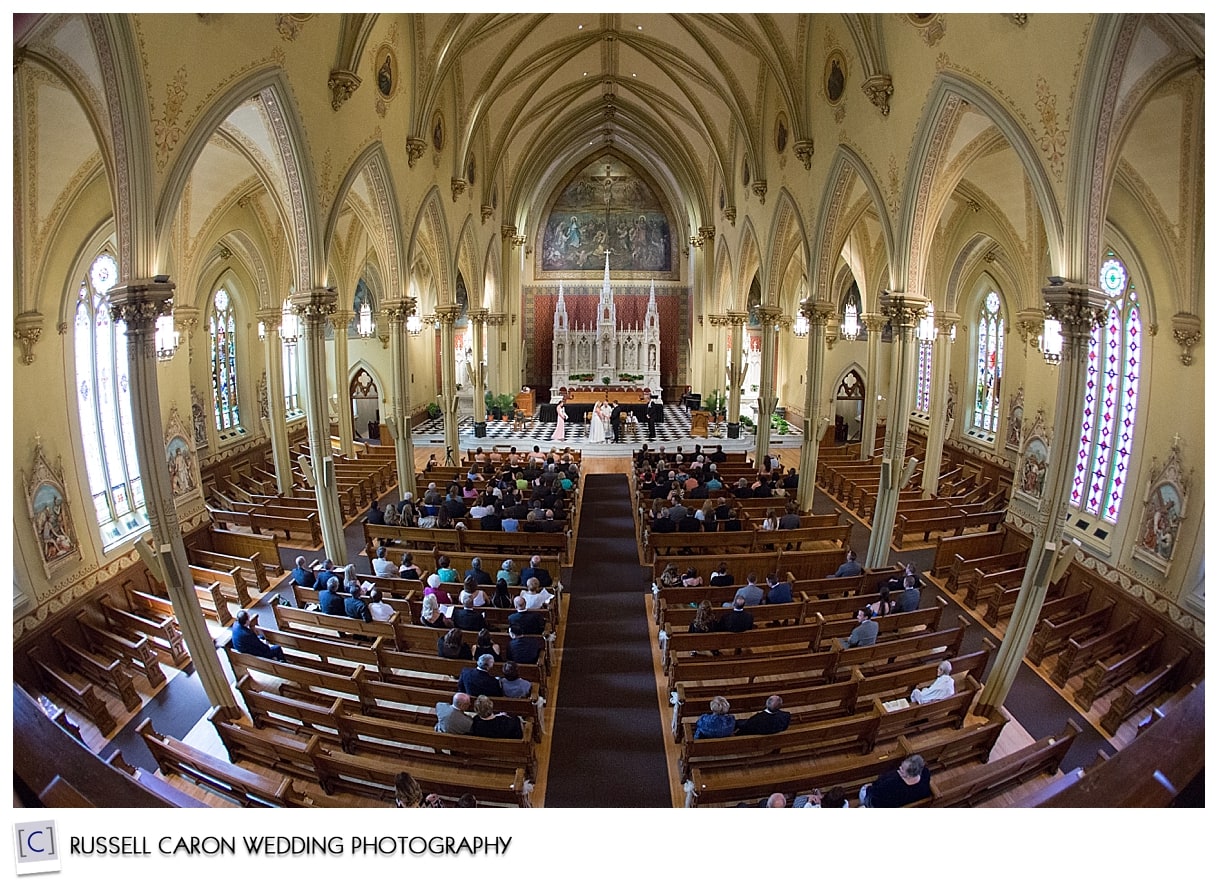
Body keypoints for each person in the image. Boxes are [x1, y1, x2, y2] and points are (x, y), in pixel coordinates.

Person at [860, 754, 932, 807]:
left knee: (864, 789)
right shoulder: (925, 773)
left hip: (881, 806)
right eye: (901, 765)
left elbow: (874, 792)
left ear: (909, 775)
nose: (900, 768)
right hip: (905, 804)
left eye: (903, 769)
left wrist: (868, 787)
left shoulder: (892, 782)